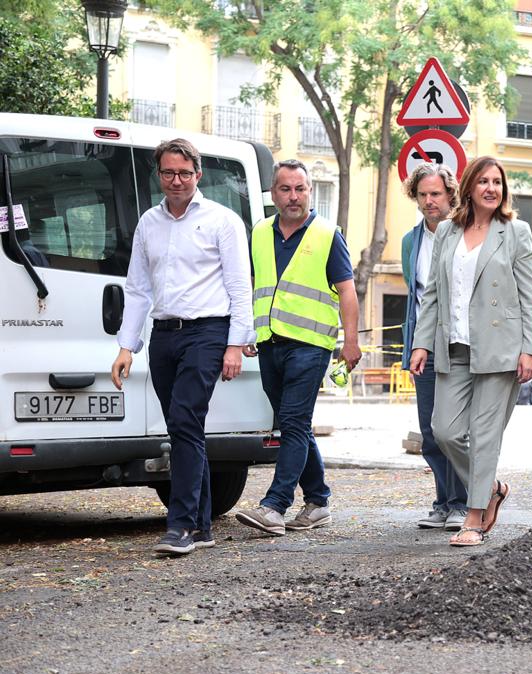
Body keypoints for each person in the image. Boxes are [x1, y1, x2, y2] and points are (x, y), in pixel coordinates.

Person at [111, 138, 254, 556]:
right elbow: (137, 289)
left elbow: (239, 287)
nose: (177, 181)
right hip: (164, 335)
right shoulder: (148, 224)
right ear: (159, 175)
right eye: (169, 173)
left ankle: (182, 527)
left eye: (185, 173)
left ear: (199, 174)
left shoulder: (222, 221)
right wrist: (127, 347)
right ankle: (204, 523)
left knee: (185, 419)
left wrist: (235, 344)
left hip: (208, 332)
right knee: (183, 428)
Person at [410, 156, 532, 547]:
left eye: (497, 182)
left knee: (484, 436)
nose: (490, 188)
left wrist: (529, 349)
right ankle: (493, 489)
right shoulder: (449, 231)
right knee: (445, 431)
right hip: (454, 347)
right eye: (483, 181)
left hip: (501, 348)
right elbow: (432, 292)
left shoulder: (515, 231)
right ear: (468, 187)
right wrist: (420, 341)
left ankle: (473, 517)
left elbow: (529, 296)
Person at [234, 159, 361, 537]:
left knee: (291, 421)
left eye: (300, 189)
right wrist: (249, 331)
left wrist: (350, 342)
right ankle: (319, 501)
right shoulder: (258, 232)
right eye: (286, 189)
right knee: (295, 425)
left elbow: (347, 291)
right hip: (270, 342)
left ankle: (275, 506)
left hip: (311, 344)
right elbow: (253, 285)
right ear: (273, 194)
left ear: (310, 192)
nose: (293, 196)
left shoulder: (327, 234)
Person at [400, 163, 469, 531]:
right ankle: (443, 500)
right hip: (422, 344)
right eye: (423, 194)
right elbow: (417, 297)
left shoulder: (462, 232)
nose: (429, 201)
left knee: (453, 427)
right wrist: (413, 346)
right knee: (429, 430)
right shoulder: (411, 240)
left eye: (436, 194)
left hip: (456, 342)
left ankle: (462, 501)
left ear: (449, 195)